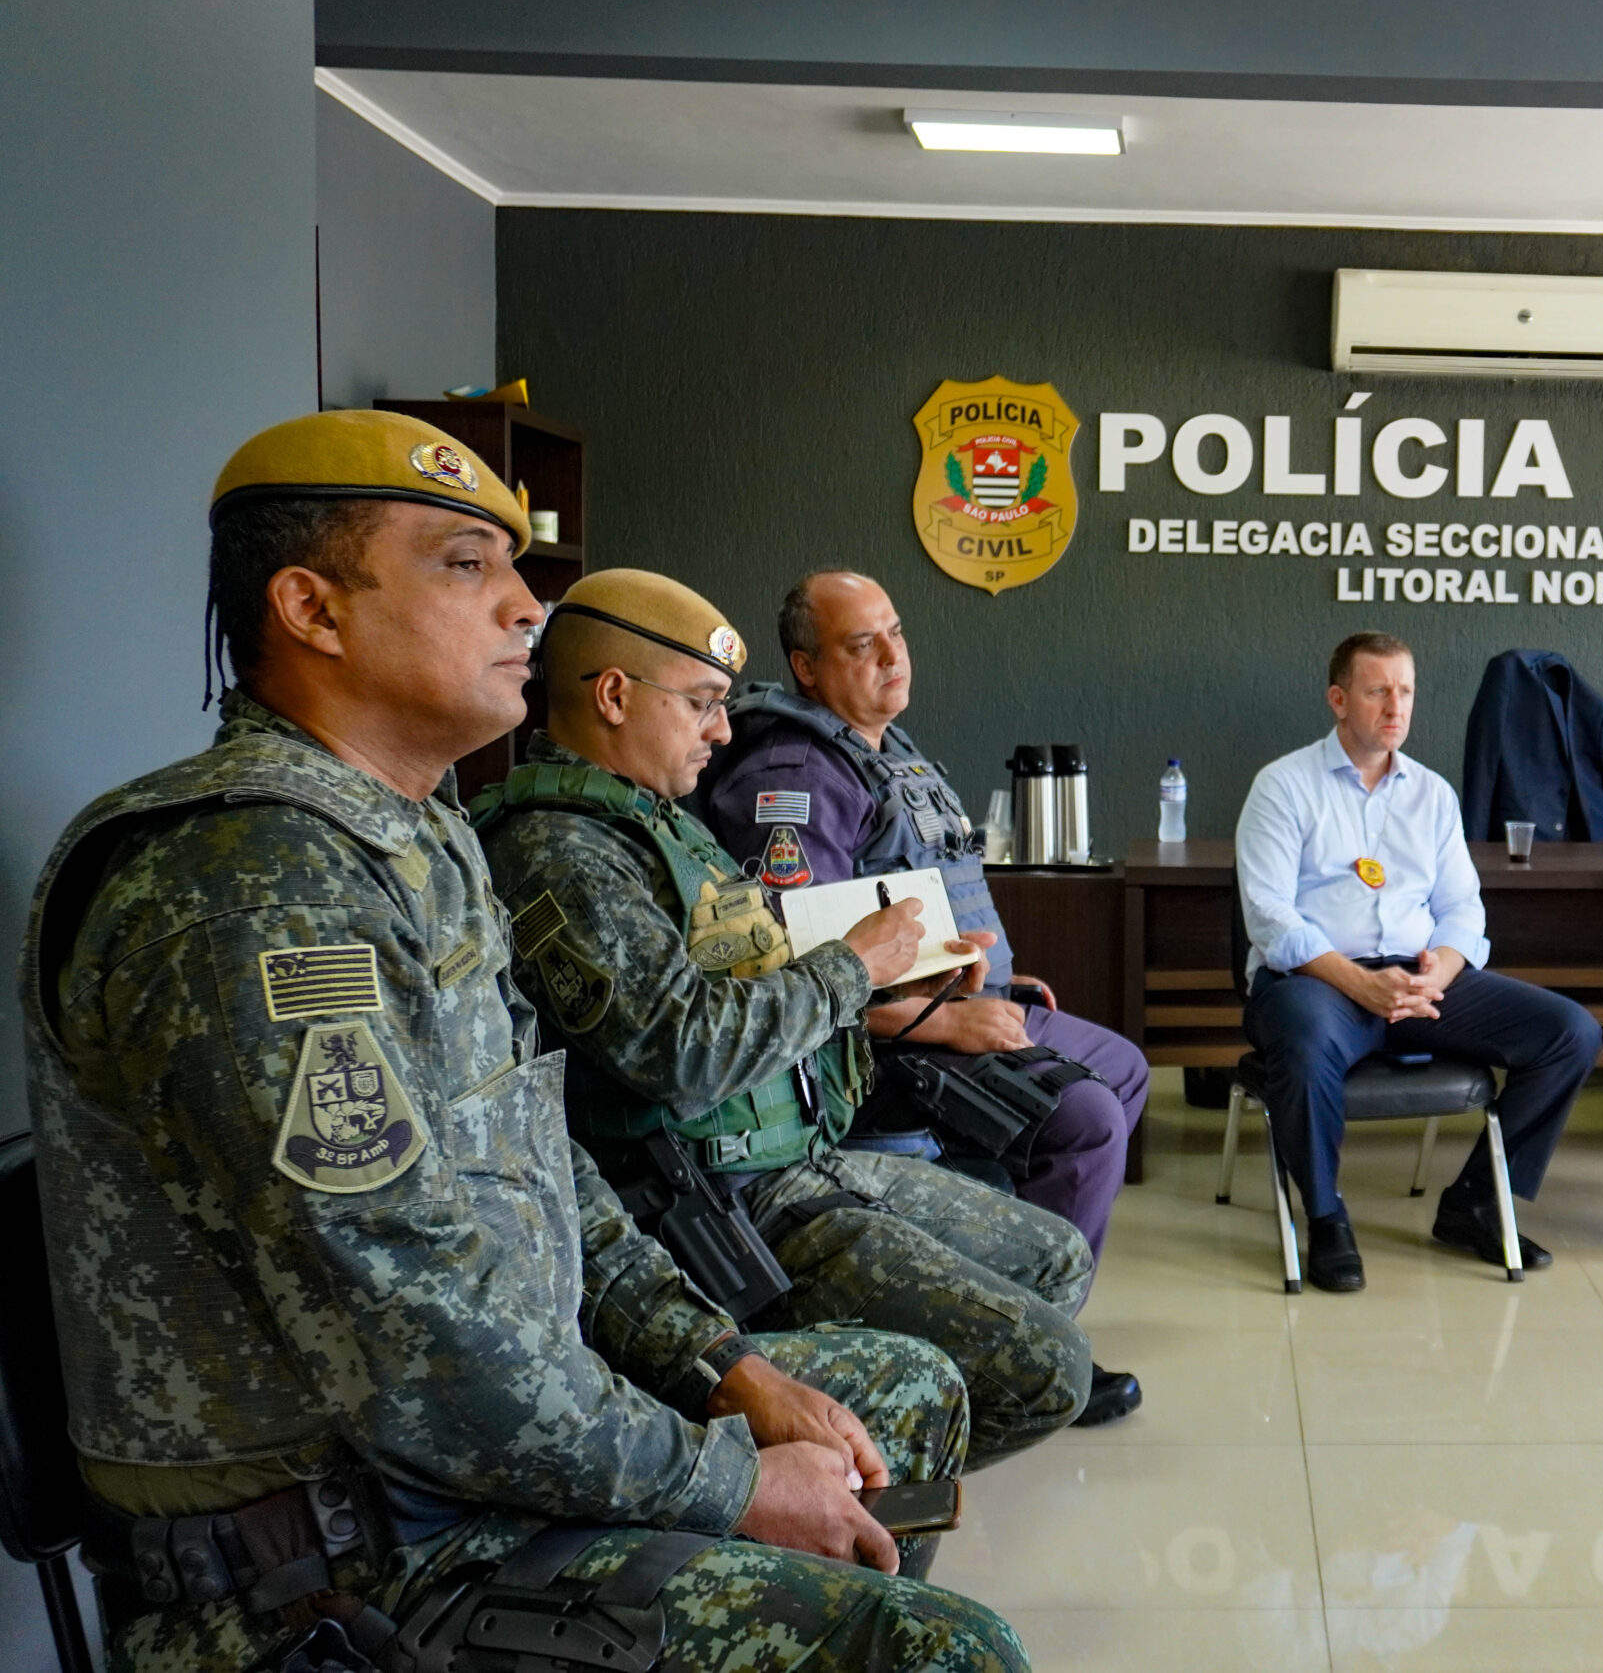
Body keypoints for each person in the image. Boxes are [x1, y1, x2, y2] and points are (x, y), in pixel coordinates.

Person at [20, 410, 1021, 1671]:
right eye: (465, 567)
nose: (525, 610)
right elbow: (415, 1330)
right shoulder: (252, 880)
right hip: (342, 1566)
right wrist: (721, 1479)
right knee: (946, 1653)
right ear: (312, 609)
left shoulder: (421, 838)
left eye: (514, 567)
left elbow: (546, 1160)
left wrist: (722, 1365)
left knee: (898, 1403)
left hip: (473, 1460)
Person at [475, 568, 1105, 1462]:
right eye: (702, 703)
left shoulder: (655, 820)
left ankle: (871, 1453)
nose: (723, 730)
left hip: (787, 1154)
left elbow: (752, 968)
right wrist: (856, 966)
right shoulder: (562, 851)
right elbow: (680, 1050)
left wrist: (913, 977)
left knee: (1056, 1257)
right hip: (710, 1199)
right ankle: (835, 1483)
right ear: (614, 696)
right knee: (1045, 1367)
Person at [700, 570, 1147, 1425]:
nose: (892, 656)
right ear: (805, 666)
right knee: (1086, 1119)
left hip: (957, 1005)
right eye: (861, 644)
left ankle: (1022, 1309)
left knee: (1122, 1067)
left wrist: (988, 985)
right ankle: (1023, 1356)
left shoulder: (883, 746)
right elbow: (792, 971)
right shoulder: (794, 775)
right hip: (877, 1044)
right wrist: (949, 1021)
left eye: (896, 633)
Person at [1233, 631, 1603, 1293]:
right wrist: (1360, 984)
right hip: (1318, 980)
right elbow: (1269, 915)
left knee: (1569, 1032)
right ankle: (1325, 1215)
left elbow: (1463, 907)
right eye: (1378, 691)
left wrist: (1441, 972)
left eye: (1405, 691)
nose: (1395, 706)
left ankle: (1476, 1203)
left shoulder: (1432, 793)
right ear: (1339, 699)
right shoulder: (1283, 785)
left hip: (1419, 978)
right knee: (1306, 1045)